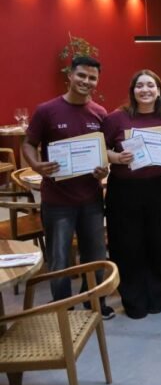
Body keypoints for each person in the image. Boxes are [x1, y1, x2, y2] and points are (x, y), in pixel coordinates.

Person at [22, 56, 114, 319]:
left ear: (97, 81)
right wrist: (37, 165)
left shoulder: (100, 113)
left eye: (92, 78)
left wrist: (104, 169)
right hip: (57, 200)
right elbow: (28, 143)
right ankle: (63, 306)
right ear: (70, 76)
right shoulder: (47, 110)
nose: (86, 81)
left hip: (91, 198)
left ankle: (94, 301)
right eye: (81, 75)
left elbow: (104, 152)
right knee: (59, 257)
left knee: (95, 254)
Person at [103, 70, 161, 319]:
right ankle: (133, 297)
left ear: (159, 91)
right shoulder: (116, 118)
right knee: (127, 244)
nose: (145, 90)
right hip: (125, 190)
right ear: (132, 91)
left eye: (150, 85)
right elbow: (101, 149)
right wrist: (117, 157)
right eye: (140, 86)